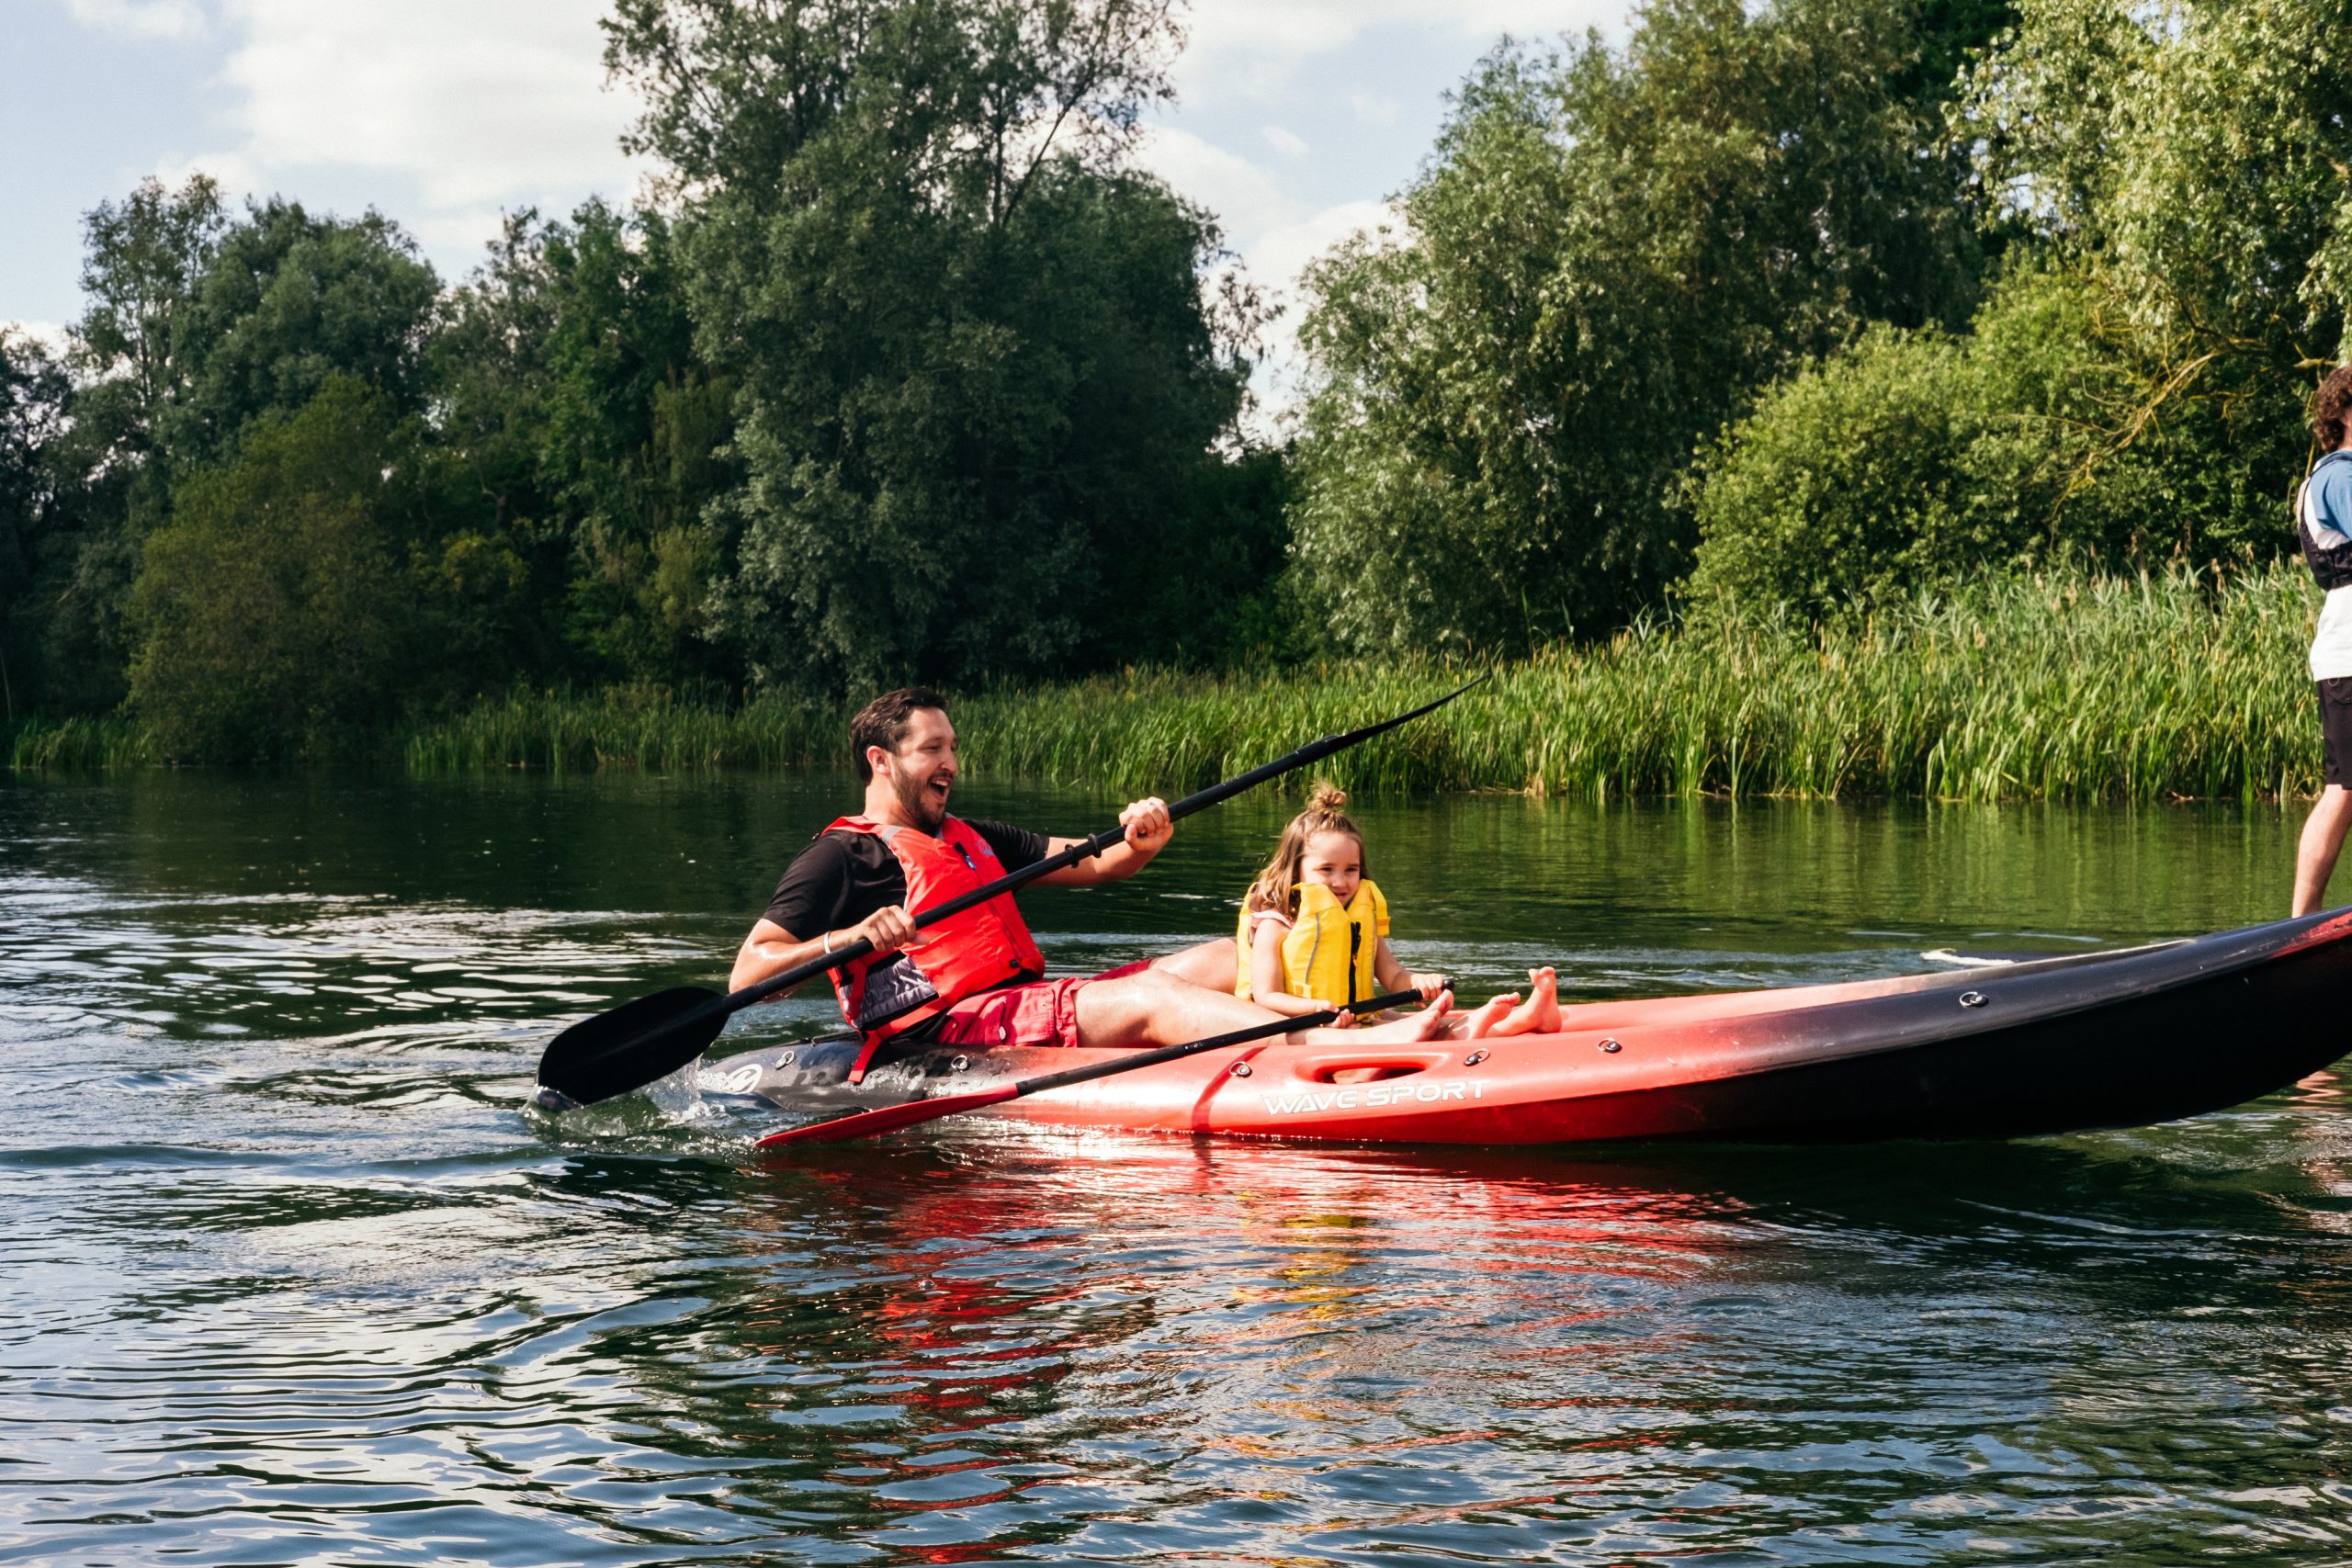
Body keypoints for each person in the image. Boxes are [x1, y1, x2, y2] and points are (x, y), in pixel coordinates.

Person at [730, 688, 1455, 1078]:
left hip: (1017, 1005)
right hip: (949, 1034)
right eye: (933, 749)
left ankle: (1363, 1023)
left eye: (954, 746)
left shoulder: (975, 837)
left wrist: (1144, 836)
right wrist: (849, 935)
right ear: (881, 761)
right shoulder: (841, 858)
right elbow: (749, 973)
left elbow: (1100, 860)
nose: (951, 761)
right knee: (1154, 999)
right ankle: (1338, 1054)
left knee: (1233, 958)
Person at [1237, 783, 1561, 1037]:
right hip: (1302, 1027)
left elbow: (1392, 975)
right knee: (1419, 1030)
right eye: (1326, 869)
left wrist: (1419, 981)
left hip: (1356, 1018)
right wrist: (1316, 1008)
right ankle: (1498, 1025)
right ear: (1296, 869)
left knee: (1416, 1023)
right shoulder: (1276, 923)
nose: (1341, 881)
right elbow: (1267, 996)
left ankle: (1530, 1017)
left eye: (1351, 870)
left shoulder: (1356, 918)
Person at [2294, 366, 2352, 916]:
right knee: (2346, 788)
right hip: (2349, 650)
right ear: (2341, 415)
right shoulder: (2340, 476)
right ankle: (2299, 927)